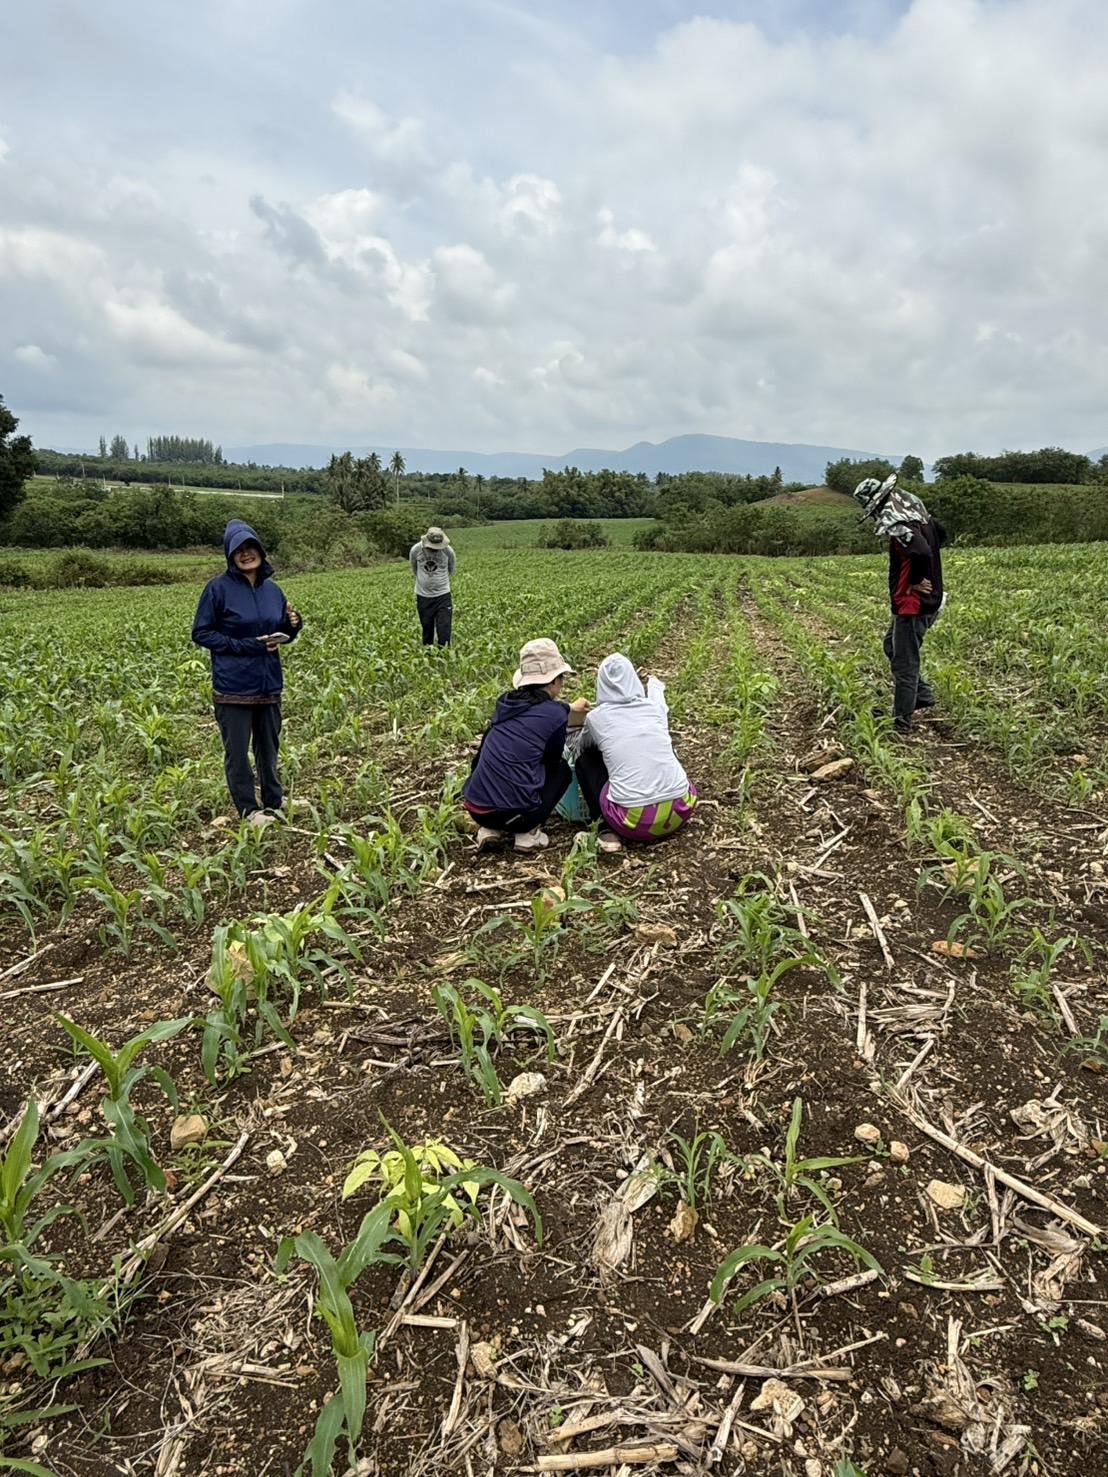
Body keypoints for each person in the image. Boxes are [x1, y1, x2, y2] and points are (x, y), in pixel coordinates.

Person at [191, 519, 302, 826]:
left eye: (251, 547)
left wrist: (293, 625)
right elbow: (202, 633)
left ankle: (273, 800)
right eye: (238, 550)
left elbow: (282, 628)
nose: (246, 554)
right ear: (230, 555)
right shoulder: (217, 589)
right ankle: (248, 810)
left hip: (268, 681)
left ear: (261, 552)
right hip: (233, 686)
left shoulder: (273, 590)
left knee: (268, 746)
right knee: (238, 752)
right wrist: (246, 646)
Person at [462, 638, 587, 852]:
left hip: (476, 807)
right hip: (517, 815)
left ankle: (489, 829)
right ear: (554, 681)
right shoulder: (555, 714)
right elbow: (551, 760)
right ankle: (528, 834)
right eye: (562, 678)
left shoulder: (505, 704)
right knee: (562, 770)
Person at [572, 653, 698, 853]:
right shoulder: (654, 707)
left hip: (633, 821)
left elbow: (583, 746)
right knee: (664, 747)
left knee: (586, 760)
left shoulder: (597, 718)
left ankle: (606, 832)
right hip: (680, 810)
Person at [853, 474, 947, 735]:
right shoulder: (918, 517)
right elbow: (941, 535)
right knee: (891, 645)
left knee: (905, 663)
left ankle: (901, 724)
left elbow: (921, 551)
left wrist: (916, 580)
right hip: (920, 601)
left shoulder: (901, 526)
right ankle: (923, 694)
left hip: (913, 605)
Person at [409, 526, 455, 647]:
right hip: (423, 596)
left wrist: (438, 583)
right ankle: (428, 657)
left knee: (444, 629)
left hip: (443, 596)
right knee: (427, 630)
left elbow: (451, 569)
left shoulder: (448, 551)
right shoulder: (416, 550)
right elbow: (415, 569)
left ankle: (444, 657)